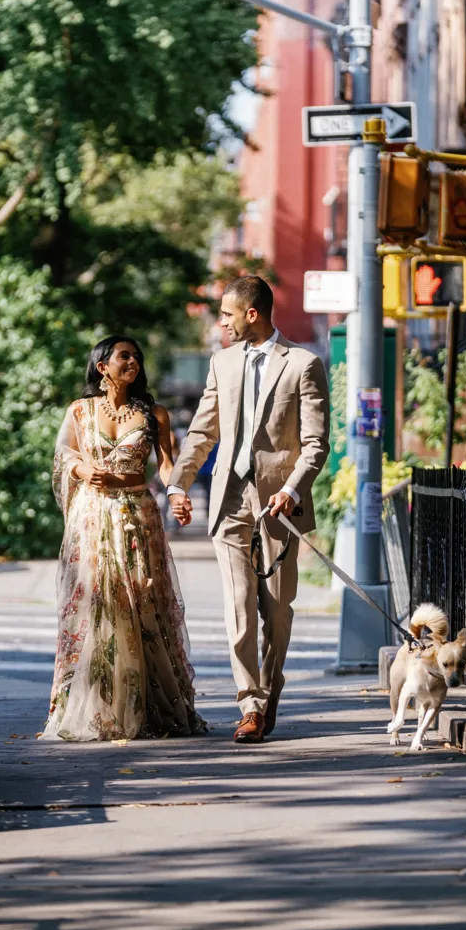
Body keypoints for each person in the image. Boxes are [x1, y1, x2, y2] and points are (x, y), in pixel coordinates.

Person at [168, 276, 330, 744]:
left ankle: (270, 694)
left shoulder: (304, 364)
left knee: (276, 614)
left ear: (251, 314)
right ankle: (250, 705)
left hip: (281, 506)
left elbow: (316, 444)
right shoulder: (222, 362)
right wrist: (178, 483)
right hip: (229, 501)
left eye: (226, 315)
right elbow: (202, 431)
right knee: (239, 605)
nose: (221, 322)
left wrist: (293, 491)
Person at [44, 335, 205, 742]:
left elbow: (167, 466)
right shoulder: (80, 411)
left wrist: (179, 493)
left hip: (137, 514)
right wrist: (82, 472)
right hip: (93, 517)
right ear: (102, 367)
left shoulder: (154, 414)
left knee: (141, 603)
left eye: (136, 356)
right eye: (124, 356)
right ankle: (96, 708)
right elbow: (64, 452)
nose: (133, 361)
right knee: (98, 604)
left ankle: (148, 706)